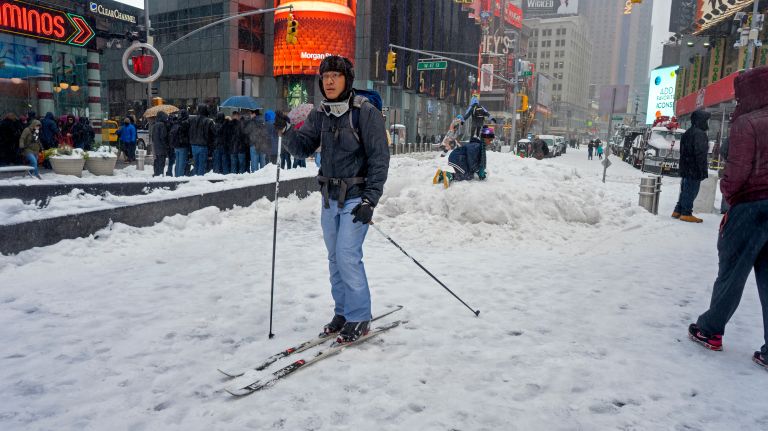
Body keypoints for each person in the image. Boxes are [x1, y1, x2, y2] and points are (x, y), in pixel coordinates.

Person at [275, 55, 389, 343]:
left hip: (355, 197)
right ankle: (342, 312)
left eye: (335, 76)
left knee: (348, 256)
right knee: (334, 258)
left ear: (347, 80)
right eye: (325, 76)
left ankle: (360, 316)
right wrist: (287, 131)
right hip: (329, 199)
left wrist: (370, 201)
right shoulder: (320, 114)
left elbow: (379, 159)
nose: (329, 81)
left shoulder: (365, 113)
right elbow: (302, 148)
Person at [688, 66, 768, 370]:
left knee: (732, 273)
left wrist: (731, 200)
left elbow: (736, 175)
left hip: (749, 207)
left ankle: (710, 330)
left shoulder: (746, 123)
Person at [672, 109, 711, 223]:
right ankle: (686, 213)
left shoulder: (687, 132)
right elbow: (700, 154)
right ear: (701, 121)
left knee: (685, 190)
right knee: (691, 190)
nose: (707, 123)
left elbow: (683, 151)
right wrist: (701, 170)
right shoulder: (700, 134)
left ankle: (678, 210)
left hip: (686, 167)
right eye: (706, 120)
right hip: (694, 168)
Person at [188, 104, 215, 175]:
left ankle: (195, 179)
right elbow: (214, 134)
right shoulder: (209, 121)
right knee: (202, 165)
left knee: (196, 164)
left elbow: (189, 132)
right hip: (203, 145)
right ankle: (200, 180)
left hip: (193, 145)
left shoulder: (192, 120)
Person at [169, 109, 190, 177]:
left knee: (177, 163)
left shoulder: (176, 122)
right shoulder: (185, 123)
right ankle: (179, 179)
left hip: (176, 146)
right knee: (181, 163)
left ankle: (176, 177)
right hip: (183, 146)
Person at [150, 111, 170, 176]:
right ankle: (160, 176)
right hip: (161, 148)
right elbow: (163, 137)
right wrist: (166, 146)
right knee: (161, 163)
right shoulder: (162, 125)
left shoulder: (155, 125)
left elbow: (152, 137)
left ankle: (156, 174)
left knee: (157, 162)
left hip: (156, 147)